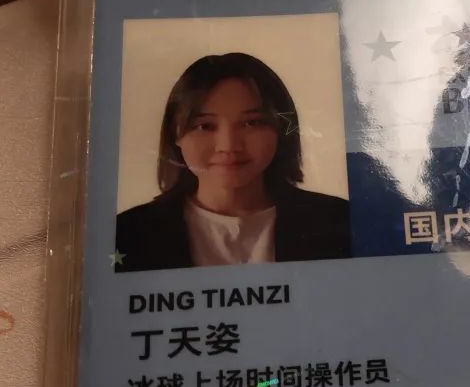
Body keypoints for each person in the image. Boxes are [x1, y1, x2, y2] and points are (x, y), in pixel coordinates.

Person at [115, 52, 350, 271]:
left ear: (281, 130)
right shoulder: (127, 234)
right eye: (205, 126)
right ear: (175, 134)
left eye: (251, 123)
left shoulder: (342, 222)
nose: (228, 146)